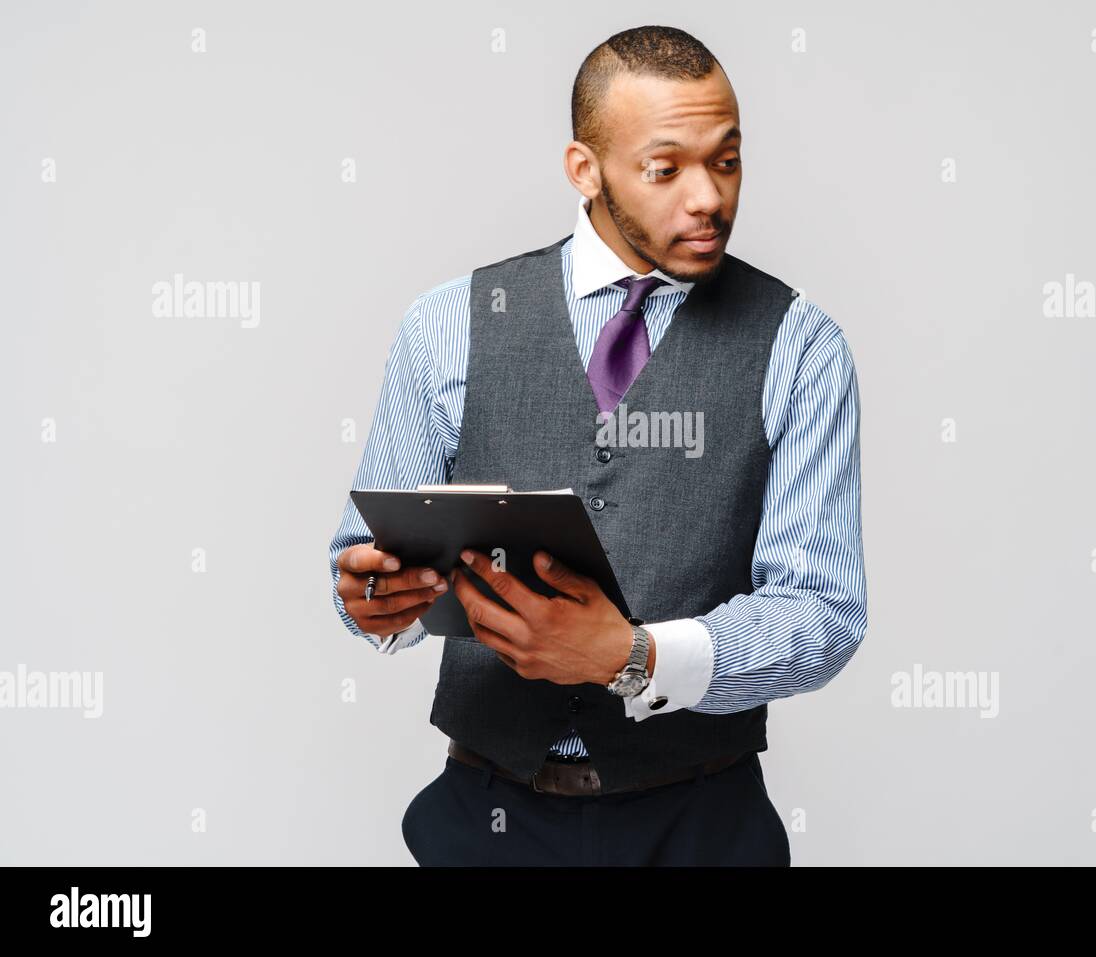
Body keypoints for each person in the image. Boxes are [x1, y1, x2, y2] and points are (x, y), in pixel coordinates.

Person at [328, 24, 867, 866]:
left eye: (726, 160)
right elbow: (362, 564)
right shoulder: (447, 326)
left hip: (702, 829)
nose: (708, 198)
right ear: (586, 170)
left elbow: (823, 614)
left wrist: (634, 655)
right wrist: (372, 600)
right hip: (484, 825)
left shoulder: (801, 346)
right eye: (666, 168)